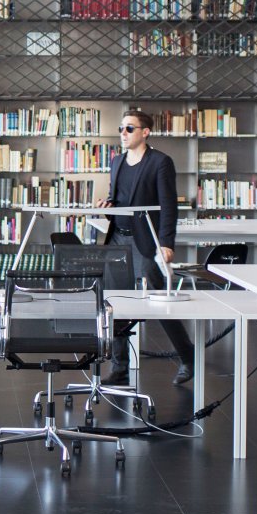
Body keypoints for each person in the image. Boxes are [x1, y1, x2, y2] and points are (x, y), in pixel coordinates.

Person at [98, 109, 197, 386]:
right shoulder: (117, 162)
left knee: (157, 299)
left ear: (145, 132)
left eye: (129, 129)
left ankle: (187, 356)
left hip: (145, 241)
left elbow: (168, 207)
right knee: (114, 302)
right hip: (118, 237)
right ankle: (119, 368)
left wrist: (166, 244)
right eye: (121, 128)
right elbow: (118, 202)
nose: (123, 133)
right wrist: (107, 209)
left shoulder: (160, 162)